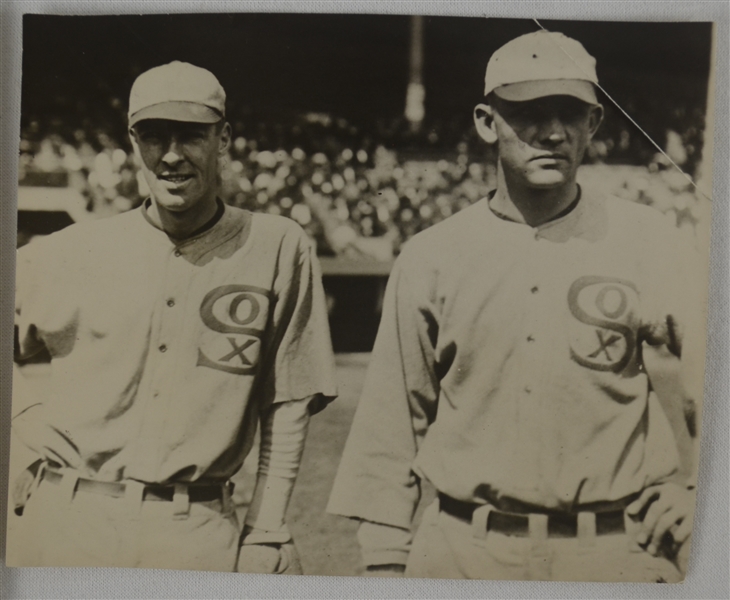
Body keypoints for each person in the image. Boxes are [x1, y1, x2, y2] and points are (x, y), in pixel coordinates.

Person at [327, 31, 703, 582]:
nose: (552, 132)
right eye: (529, 112)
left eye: (570, 113)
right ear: (486, 122)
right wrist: (384, 561)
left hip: (612, 550)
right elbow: (390, 424)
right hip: (461, 549)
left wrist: (705, 492)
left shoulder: (649, 238)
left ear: (593, 124)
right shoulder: (433, 255)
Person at [9, 61, 337, 573]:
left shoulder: (276, 246)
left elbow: (290, 399)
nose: (171, 156)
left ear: (224, 139)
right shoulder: (71, 250)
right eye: (154, 137)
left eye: (191, 136)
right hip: (67, 515)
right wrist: (23, 422)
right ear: (133, 142)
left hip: (196, 526)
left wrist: (267, 527)